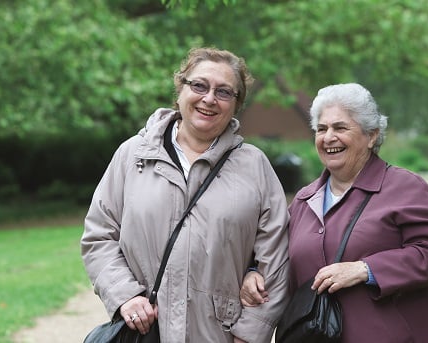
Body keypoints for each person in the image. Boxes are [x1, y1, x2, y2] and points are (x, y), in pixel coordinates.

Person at [81, 47, 290, 343]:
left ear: (236, 104)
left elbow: (276, 258)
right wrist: (125, 295)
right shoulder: (134, 156)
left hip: (221, 336)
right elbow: (99, 236)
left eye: (224, 92)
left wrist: (251, 332)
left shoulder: (254, 167)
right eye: (199, 85)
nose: (209, 99)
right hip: (146, 333)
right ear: (180, 88)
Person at [241, 83, 428, 342]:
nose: (329, 137)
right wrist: (253, 271)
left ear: (371, 135)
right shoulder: (304, 201)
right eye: (321, 129)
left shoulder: (405, 188)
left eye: (340, 128)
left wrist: (365, 269)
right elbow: (275, 254)